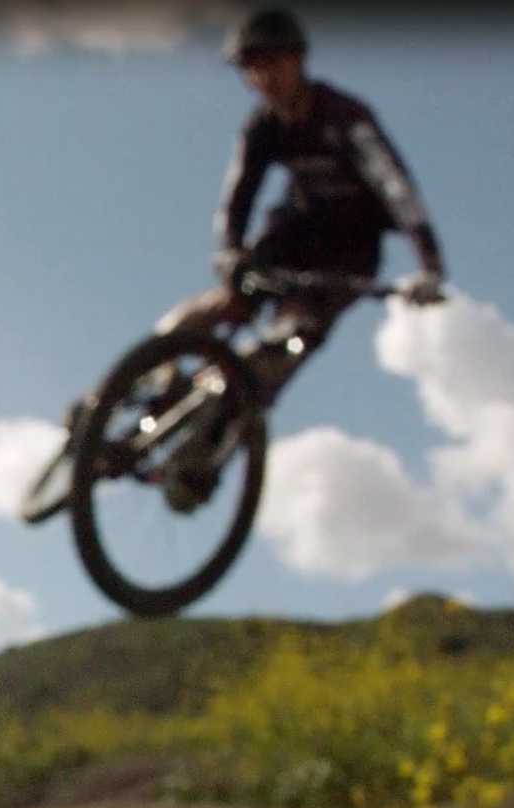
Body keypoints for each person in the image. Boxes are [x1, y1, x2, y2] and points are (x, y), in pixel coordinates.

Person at [59, 6, 449, 478]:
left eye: (272, 62)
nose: (263, 77)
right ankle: (115, 393)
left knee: (287, 347)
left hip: (349, 256)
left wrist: (429, 266)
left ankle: (209, 449)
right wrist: (231, 251)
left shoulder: (347, 118)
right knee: (223, 304)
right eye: (251, 67)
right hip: (291, 235)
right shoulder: (262, 127)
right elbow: (239, 196)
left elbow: (396, 189)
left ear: (298, 60)